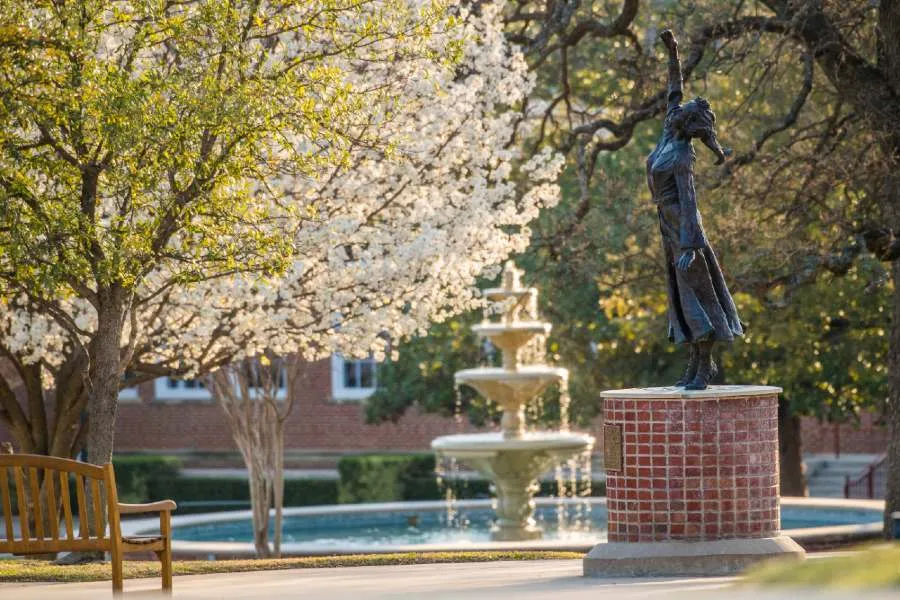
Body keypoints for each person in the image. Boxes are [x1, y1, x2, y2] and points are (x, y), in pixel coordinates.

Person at [646, 29, 744, 390]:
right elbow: (675, 86)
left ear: (688, 127)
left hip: (686, 237)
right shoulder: (667, 134)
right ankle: (694, 361)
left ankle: (705, 367)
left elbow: (690, 201)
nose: (674, 112)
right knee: (680, 301)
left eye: (681, 114)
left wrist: (690, 247)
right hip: (669, 232)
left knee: (697, 298)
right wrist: (672, 50)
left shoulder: (683, 154)